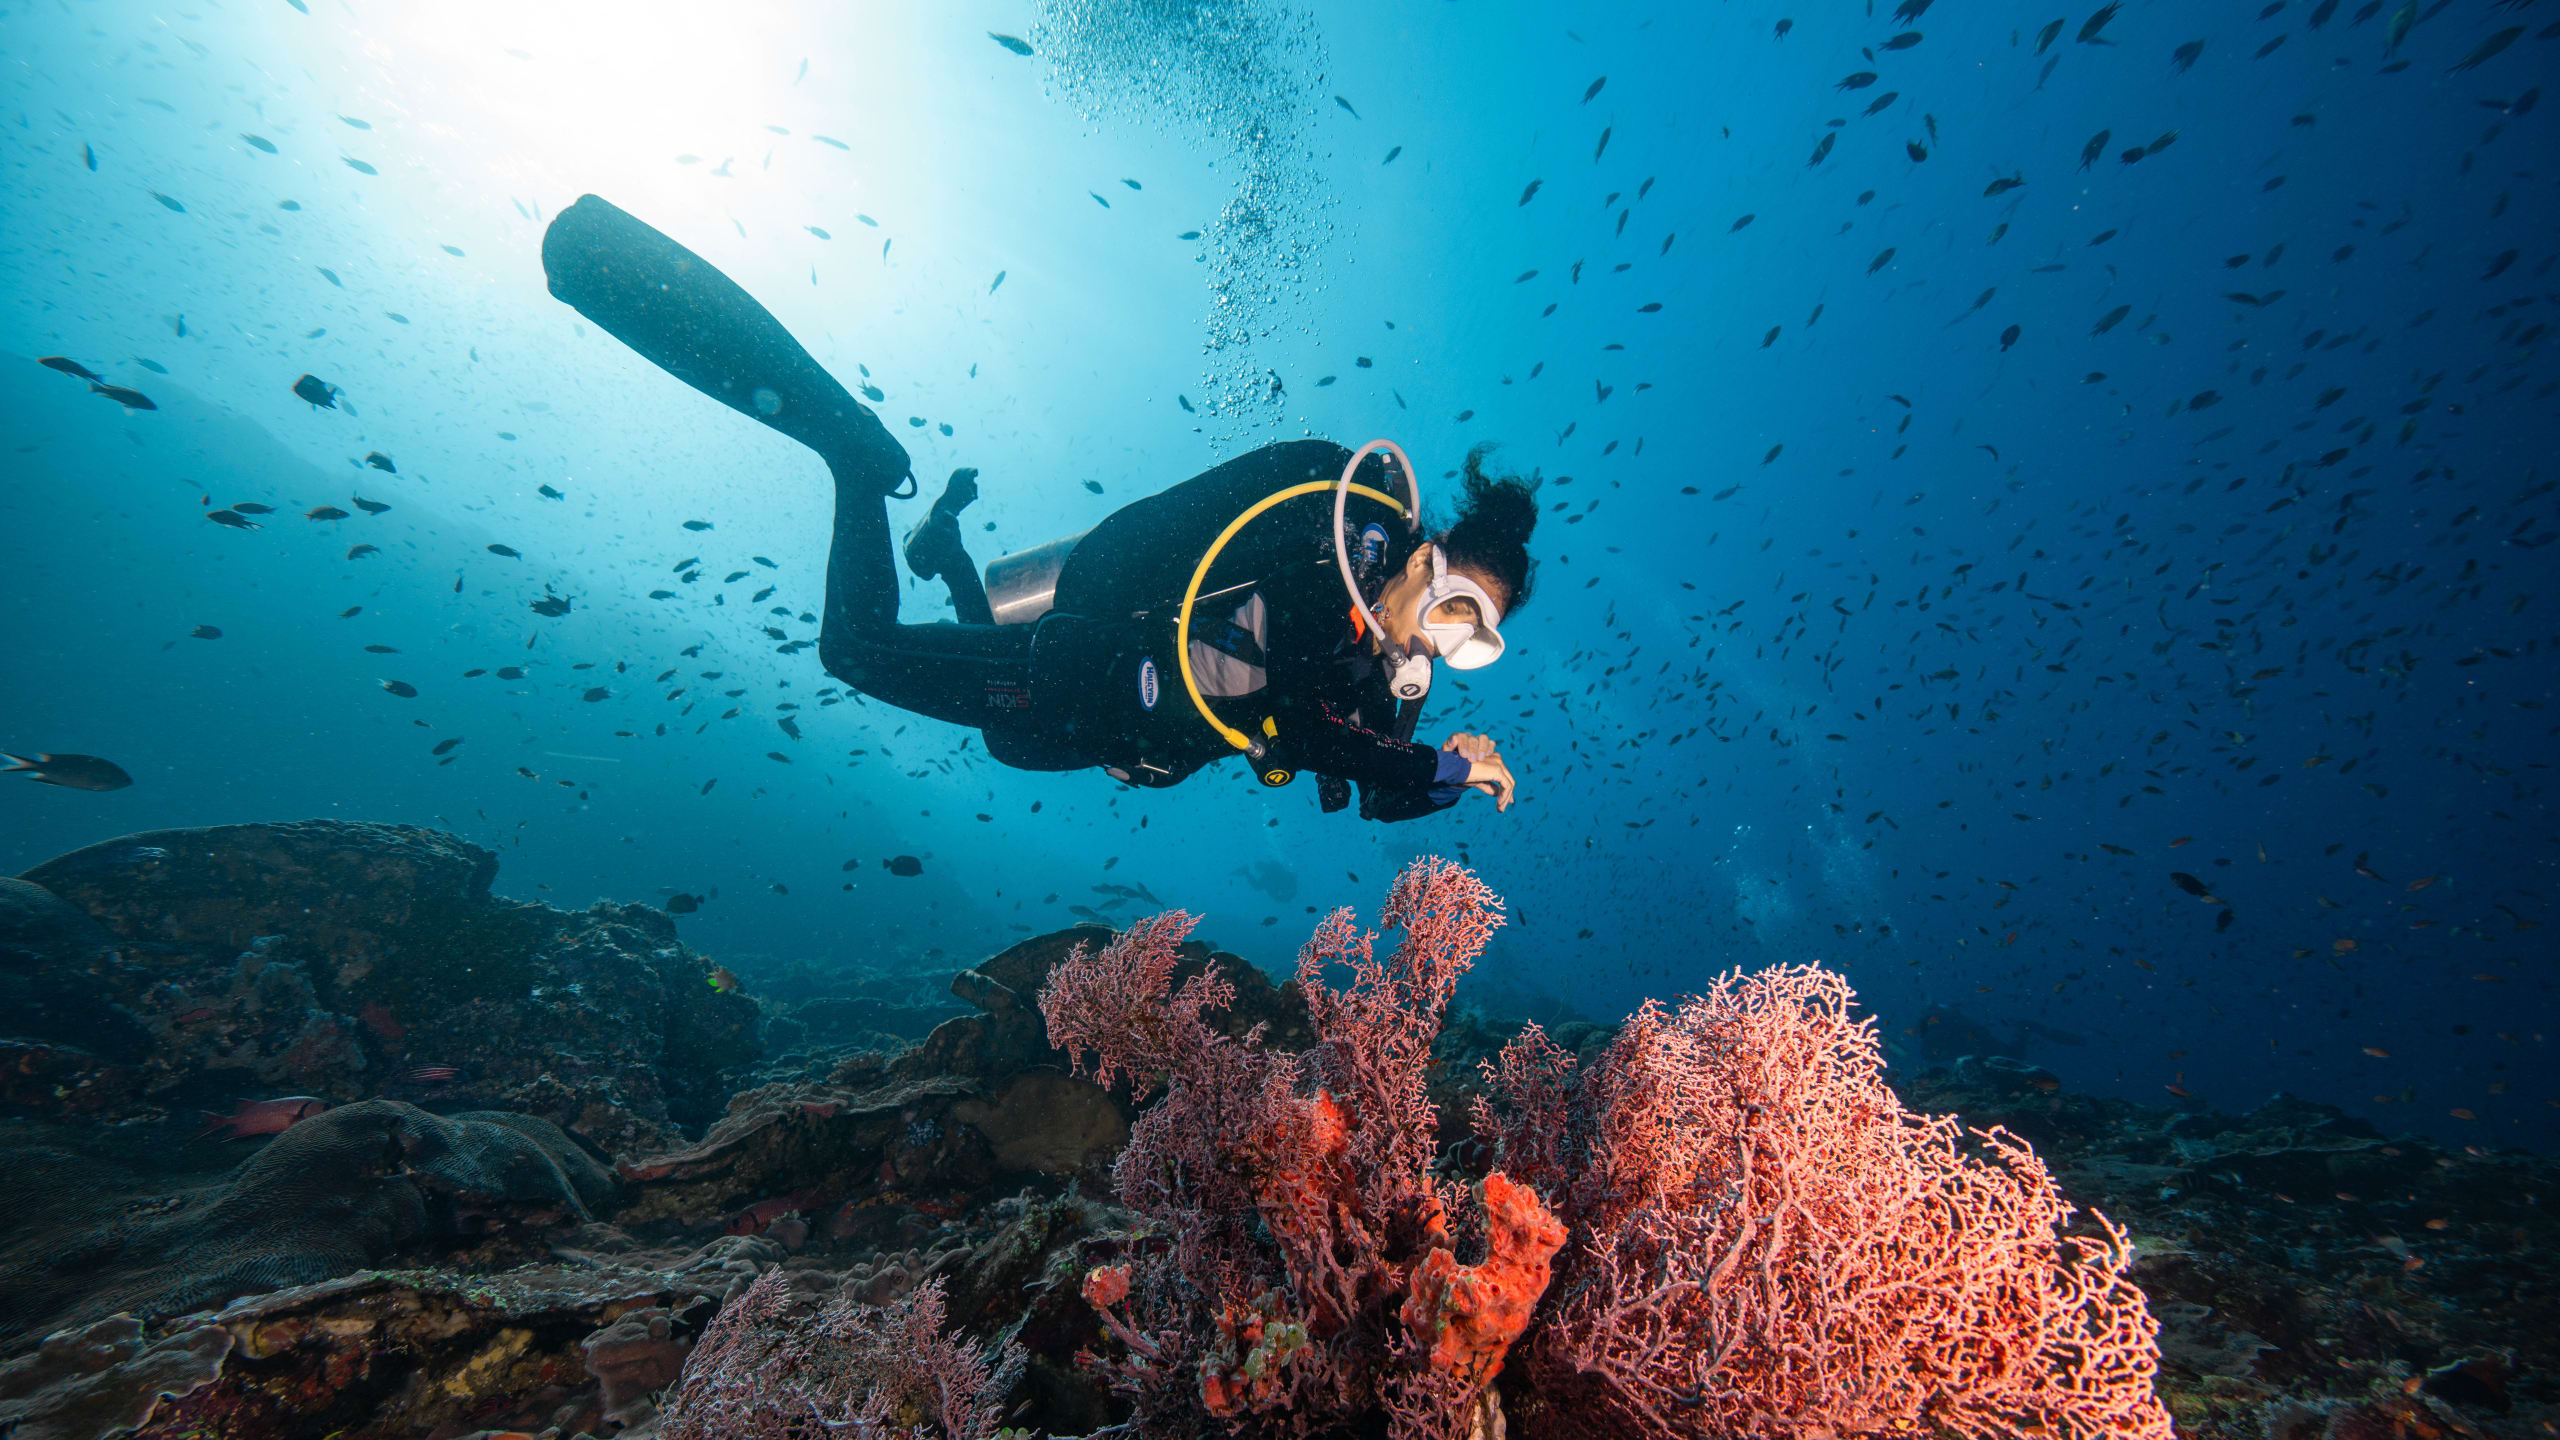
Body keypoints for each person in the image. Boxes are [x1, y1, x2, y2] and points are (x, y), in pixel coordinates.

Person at [543, 195, 1534, 823]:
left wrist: (1445, 770)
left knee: (1005, 744)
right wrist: (1429, 769)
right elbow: (1291, 720)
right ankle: (851, 453)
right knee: (856, 650)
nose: (1448, 644)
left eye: (1476, 639)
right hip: (1084, 672)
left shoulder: (1387, 657)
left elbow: (1370, 795)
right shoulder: (1336, 553)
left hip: (1104, 729)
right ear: (1424, 561)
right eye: (1457, 609)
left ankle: (945, 550)